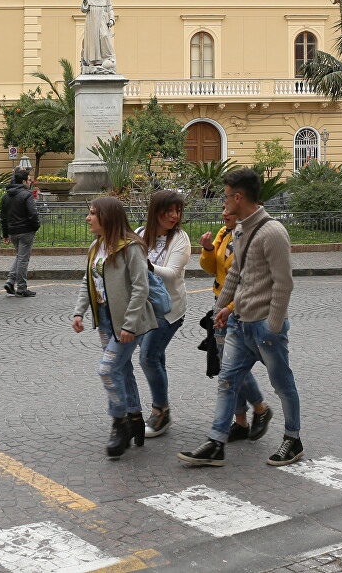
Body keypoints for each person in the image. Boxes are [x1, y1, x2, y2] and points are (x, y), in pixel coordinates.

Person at [178, 168, 303, 468]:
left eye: (225, 196)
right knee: (226, 381)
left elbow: (284, 283)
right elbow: (236, 273)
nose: (224, 202)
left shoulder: (273, 232)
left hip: (263, 325)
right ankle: (216, 442)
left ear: (238, 197)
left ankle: (293, 439)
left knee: (282, 384)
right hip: (239, 323)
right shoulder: (240, 228)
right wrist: (221, 309)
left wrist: (273, 326)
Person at [72, 196, 155, 459]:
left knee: (107, 370)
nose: (88, 218)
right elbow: (89, 281)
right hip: (105, 319)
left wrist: (130, 325)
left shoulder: (131, 247)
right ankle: (136, 419)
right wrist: (79, 311)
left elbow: (141, 288)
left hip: (127, 322)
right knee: (122, 369)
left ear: (107, 217)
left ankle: (120, 423)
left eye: (93, 213)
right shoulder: (96, 246)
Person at [198, 209, 272, 442]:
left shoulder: (249, 237)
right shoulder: (224, 233)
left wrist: (229, 308)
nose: (223, 214)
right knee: (229, 364)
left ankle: (260, 407)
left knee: (233, 366)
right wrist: (209, 249)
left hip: (237, 309)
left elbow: (248, 280)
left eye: (228, 210)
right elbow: (213, 269)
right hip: (221, 306)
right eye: (222, 209)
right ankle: (241, 421)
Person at [135, 190, 190, 438]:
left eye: (177, 211)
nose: (174, 216)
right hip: (144, 308)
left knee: (148, 357)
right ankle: (163, 408)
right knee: (156, 358)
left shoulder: (180, 239)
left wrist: (148, 266)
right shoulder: (139, 235)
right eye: (169, 210)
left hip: (169, 310)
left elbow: (172, 273)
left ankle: (160, 410)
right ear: (156, 211)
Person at [0, 168, 40, 297]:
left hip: (12, 231)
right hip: (25, 230)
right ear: (23, 181)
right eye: (29, 180)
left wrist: (5, 234)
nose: (30, 182)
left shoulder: (6, 196)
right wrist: (36, 226)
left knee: (19, 257)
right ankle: (21, 287)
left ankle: (10, 281)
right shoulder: (26, 195)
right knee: (23, 259)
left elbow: (3, 217)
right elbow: (33, 213)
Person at [79, 0, 117, 73]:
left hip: (103, 19)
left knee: (104, 35)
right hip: (92, 20)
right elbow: (84, 9)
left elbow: (110, 9)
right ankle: (95, 62)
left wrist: (112, 19)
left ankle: (108, 58)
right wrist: (84, 1)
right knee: (93, 40)